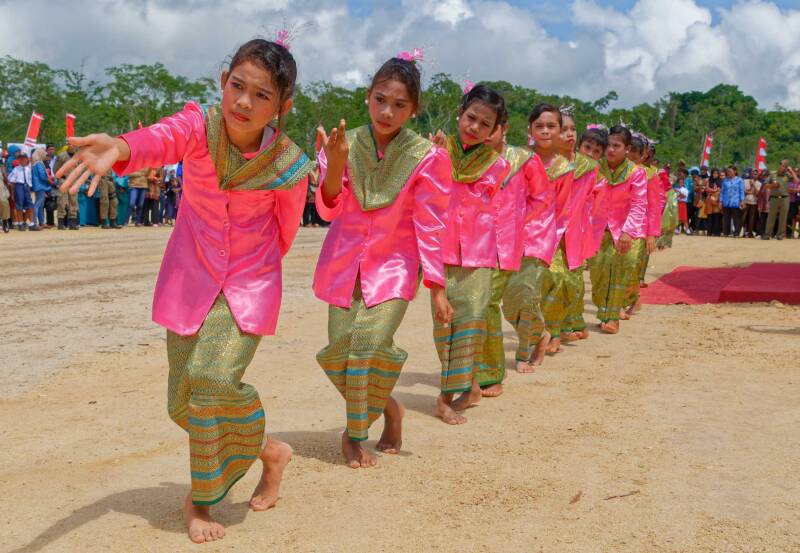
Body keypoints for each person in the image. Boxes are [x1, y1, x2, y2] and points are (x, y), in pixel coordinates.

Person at [57, 37, 313, 543]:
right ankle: (270, 451)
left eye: (260, 96)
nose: (244, 102)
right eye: (237, 86)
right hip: (189, 279)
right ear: (223, 82)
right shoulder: (200, 126)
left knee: (211, 381)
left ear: (281, 107)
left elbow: (286, 229)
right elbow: (162, 137)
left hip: (249, 283)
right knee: (182, 403)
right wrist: (124, 147)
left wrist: (255, 274)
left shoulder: (288, 163)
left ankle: (201, 499)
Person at [315, 52, 452, 464]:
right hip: (343, 264)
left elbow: (431, 223)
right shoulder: (343, 143)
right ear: (366, 97)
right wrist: (334, 167)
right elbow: (326, 210)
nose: (387, 111)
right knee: (339, 350)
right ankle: (390, 407)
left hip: (394, 267)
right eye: (380, 100)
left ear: (414, 109)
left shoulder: (426, 155)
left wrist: (437, 287)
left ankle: (354, 435)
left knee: (368, 347)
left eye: (399, 104)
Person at [430, 85, 510, 423]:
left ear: (495, 131)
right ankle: (471, 385)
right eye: (470, 117)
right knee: (443, 325)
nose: (474, 127)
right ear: (460, 113)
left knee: (469, 324)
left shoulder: (497, 165)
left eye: (484, 124)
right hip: (440, 251)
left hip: (477, 255)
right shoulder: (436, 151)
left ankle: (450, 396)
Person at [478, 110, 548, 396]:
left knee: (489, 302)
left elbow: (541, 199)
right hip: (472, 243)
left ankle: (492, 373)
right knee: (477, 305)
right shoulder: (468, 157)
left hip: (508, 243)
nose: (481, 132)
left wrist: (515, 221)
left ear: (503, 128)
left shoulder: (524, 160)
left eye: (488, 126)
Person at [500, 103, 560, 372]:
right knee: (508, 302)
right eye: (540, 126)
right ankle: (540, 334)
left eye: (551, 126)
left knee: (526, 295)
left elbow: (565, 208)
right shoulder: (516, 157)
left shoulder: (568, 168)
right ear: (530, 129)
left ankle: (523, 353)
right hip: (511, 236)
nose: (545, 131)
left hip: (542, 236)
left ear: (559, 130)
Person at [587, 125, 647, 334]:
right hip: (596, 229)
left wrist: (628, 231)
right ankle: (603, 310)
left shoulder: (636, 172)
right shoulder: (594, 167)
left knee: (620, 272)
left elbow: (639, 204)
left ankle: (612, 317)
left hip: (623, 231)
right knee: (598, 274)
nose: (611, 150)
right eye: (609, 145)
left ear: (627, 148)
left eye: (617, 146)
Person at [763, 160, 798, 240]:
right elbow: (765, 185)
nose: (784, 168)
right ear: (779, 166)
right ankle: (767, 234)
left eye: (786, 166)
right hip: (774, 198)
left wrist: (791, 171)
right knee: (771, 216)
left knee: (783, 217)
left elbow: (797, 181)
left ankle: (780, 235)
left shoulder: (787, 175)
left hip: (785, 198)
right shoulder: (773, 175)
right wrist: (772, 185)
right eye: (783, 166)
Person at [54, 145, 80, 230]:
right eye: (71, 145)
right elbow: (55, 169)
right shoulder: (61, 156)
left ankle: (72, 223)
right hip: (64, 180)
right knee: (62, 201)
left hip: (74, 181)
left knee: (74, 201)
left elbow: (80, 168)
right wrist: (60, 178)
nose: (73, 147)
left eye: (74, 145)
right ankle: (61, 222)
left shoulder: (78, 156)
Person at [9, 152, 34, 230]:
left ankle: (31, 223)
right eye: (20, 158)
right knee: (19, 205)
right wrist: (12, 192)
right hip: (19, 186)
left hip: (26, 187)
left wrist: (29, 189)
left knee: (30, 205)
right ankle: (20, 223)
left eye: (24, 158)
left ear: (27, 159)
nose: (22, 160)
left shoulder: (28, 169)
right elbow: (12, 181)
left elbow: (30, 180)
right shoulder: (16, 169)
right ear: (18, 160)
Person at [720, 165, 744, 237]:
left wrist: (742, 200)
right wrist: (721, 201)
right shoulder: (725, 181)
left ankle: (736, 233)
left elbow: (741, 191)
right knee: (726, 218)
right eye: (728, 172)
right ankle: (726, 232)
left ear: (735, 172)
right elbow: (722, 192)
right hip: (726, 202)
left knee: (736, 218)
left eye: (730, 171)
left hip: (735, 202)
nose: (728, 173)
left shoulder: (739, 180)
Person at [31, 148, 51, 230]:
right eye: (44, 154)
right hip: (40, 186)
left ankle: (42, 222)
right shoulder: (39, 164)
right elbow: (42, 176)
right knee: (38, 204)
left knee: (40, 205)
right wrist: (50, 179)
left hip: (37, 186)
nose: (45, 156)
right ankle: (34, 222)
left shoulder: (35, 163)